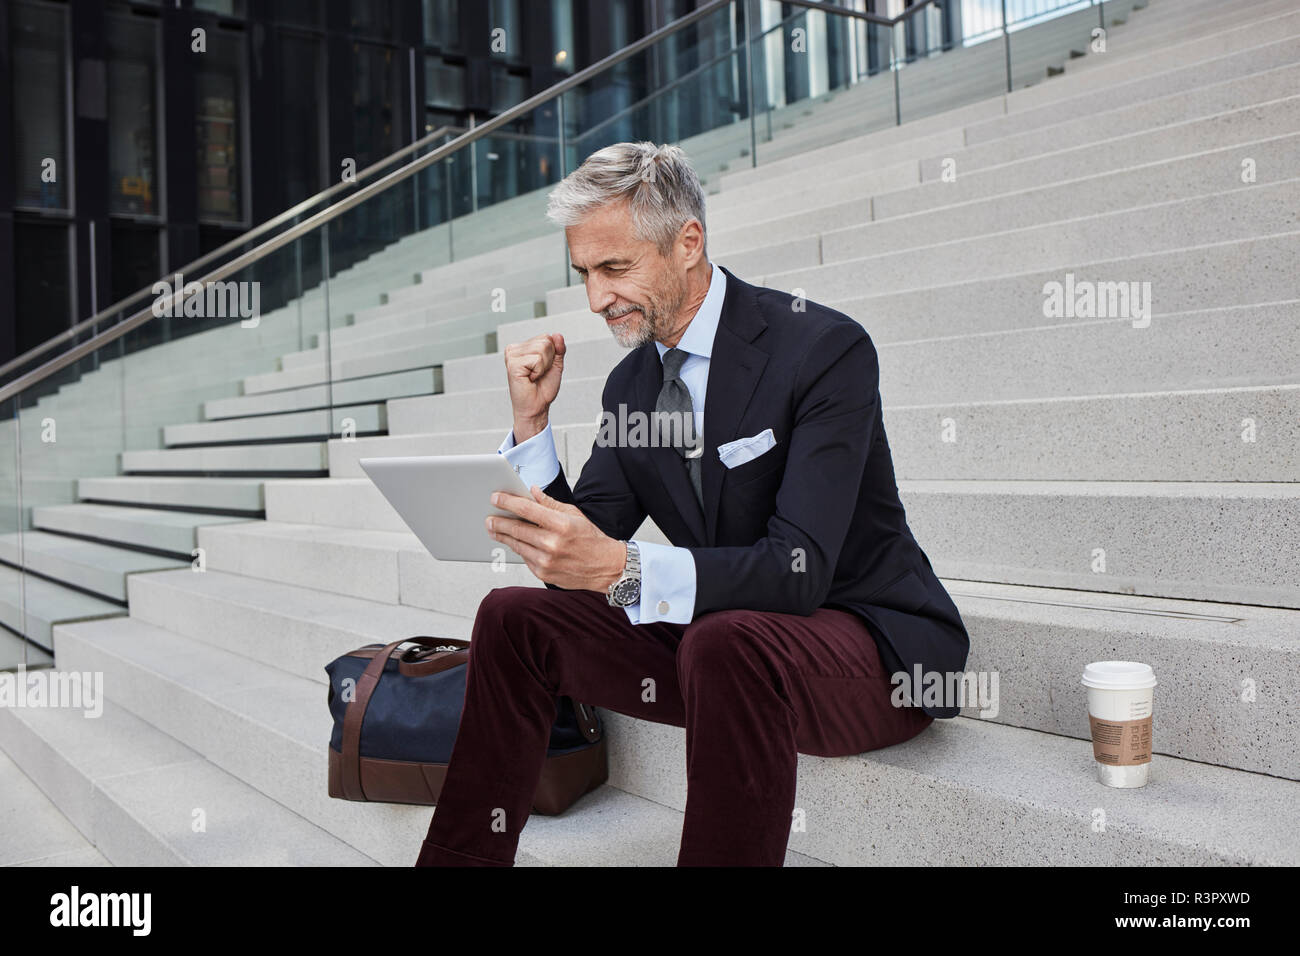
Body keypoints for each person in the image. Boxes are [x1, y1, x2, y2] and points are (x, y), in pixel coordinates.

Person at [415, 141, 970, 867]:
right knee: (513, 618)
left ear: (688, 243)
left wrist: (630, 570)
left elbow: (796, 573)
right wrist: (532, 428)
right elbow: (579, 563)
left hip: (866, 646)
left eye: (616, 268)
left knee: (725, 641)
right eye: (584, 273)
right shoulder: (631, 389)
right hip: (726, 652)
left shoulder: (823, 349)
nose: (596, 298)